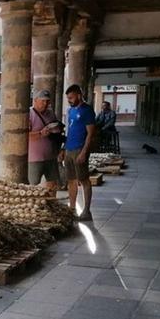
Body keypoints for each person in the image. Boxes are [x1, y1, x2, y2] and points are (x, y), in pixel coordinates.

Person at [62, 84, 97, 221]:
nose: (69, 100)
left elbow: (90, 134)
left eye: (71, 97)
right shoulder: (70, 111)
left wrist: (84, 152)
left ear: (78, 95)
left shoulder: (87, 111)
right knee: (71, 180)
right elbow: (69, 131)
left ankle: (87, 211)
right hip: (69, 148)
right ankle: (72, 209)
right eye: (68, 98)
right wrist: (64, 149)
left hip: (79, 149)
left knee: (84, 180)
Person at [28, 89, 63, 193]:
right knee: (33, 186)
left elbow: (57, 131)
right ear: (35, 100)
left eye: (47, 101)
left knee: (52, 184)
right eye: (42, 101)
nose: (45, 103)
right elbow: (24, 135)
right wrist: (40, 133)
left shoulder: (51, 114)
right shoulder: (29, 114)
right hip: (34, 158)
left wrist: (57, 129)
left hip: (51, 156)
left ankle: (51, 206)